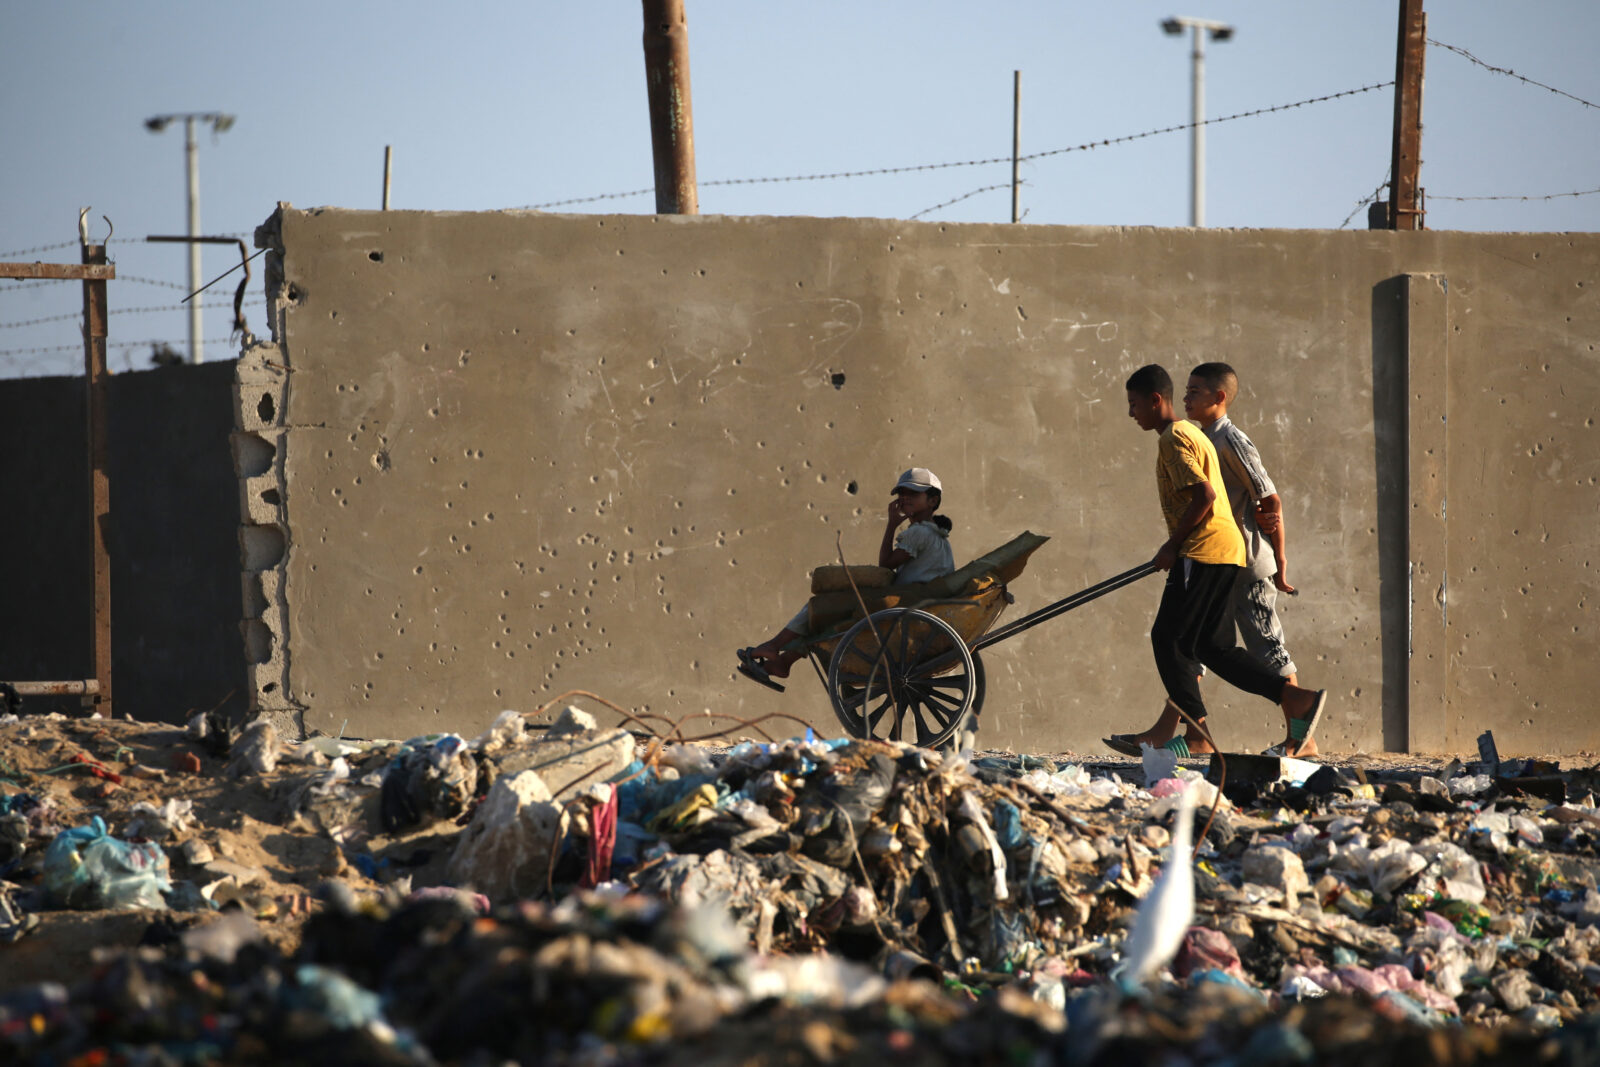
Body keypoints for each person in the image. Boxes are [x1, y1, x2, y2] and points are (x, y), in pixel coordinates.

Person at [1107, 364, 1326, 758]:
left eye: (1134, 404)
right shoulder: (1194, 432)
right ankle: (1295, 700)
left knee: (1168, 639)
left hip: (1205, 549)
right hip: (1226, 550)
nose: (1130, 413)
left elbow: (1205, 496)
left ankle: (1197, 735)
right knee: (1211, 645)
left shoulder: (1175, 437)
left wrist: (1173, 546)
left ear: (1155, 400)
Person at [736, 467, 954, 692]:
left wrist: (891, 524)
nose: (905, 498)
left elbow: (886, 563)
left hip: (904, 605)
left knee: (821, 607)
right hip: (915, 602)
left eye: (913, 494)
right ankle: (783, 660)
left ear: (932, 500)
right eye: (902, 493)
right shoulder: (936, 535)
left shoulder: (920, 533)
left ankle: (775, 647)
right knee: (827, 615)